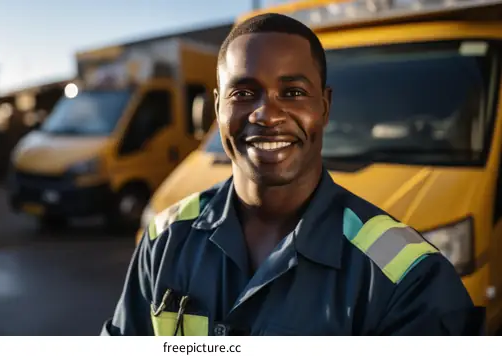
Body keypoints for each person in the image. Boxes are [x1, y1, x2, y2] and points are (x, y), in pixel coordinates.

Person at [101, 13, 484, 336]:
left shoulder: (408, 278)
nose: (267, 115)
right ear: (217, 109)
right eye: (243, 93)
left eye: (294, 92)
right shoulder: (164, 240)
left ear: (325, 106)